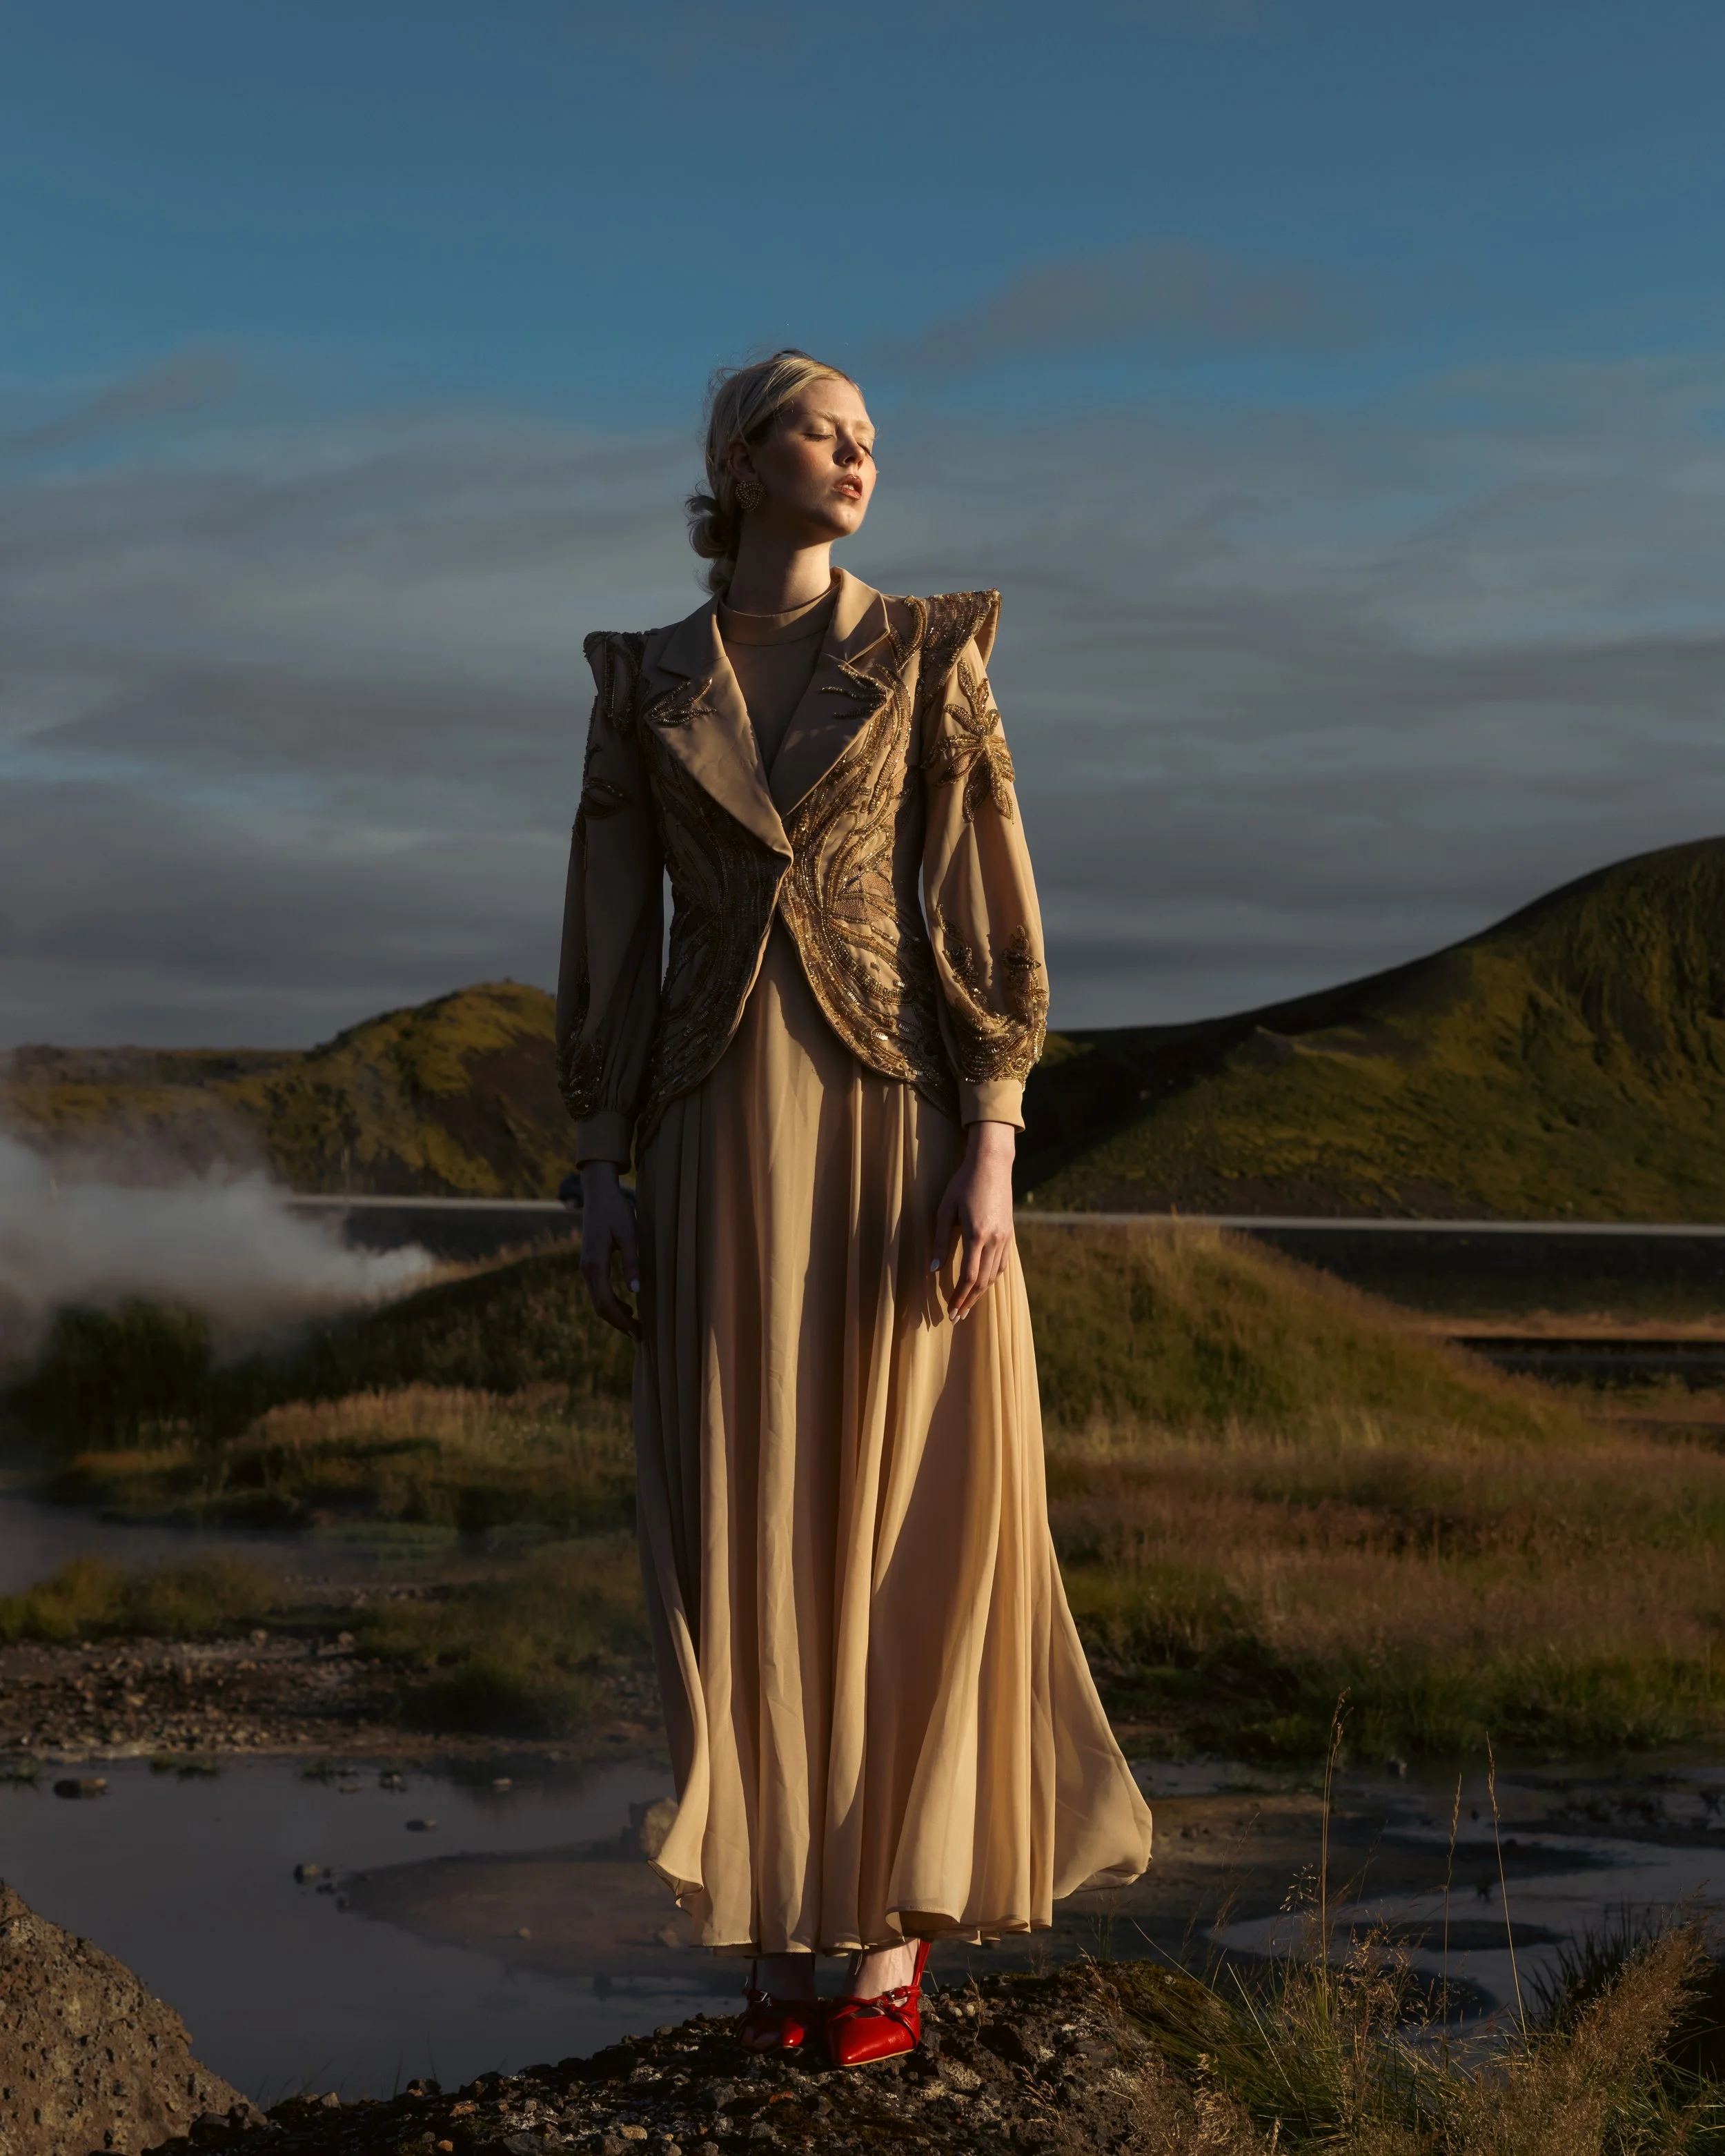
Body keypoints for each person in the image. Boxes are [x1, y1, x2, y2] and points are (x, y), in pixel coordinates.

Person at [556, 350, 1152, 2068]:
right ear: (740, 458)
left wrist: (993, 1130)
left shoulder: (926, 651)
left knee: (897, 1510)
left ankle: (883, 1948)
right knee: (744, 1522)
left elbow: (979, 878)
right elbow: (608, 915)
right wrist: (597, 1162)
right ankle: (781, 1941)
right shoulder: (643, 681)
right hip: (709, 1129)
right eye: (828, 430)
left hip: (894, 1116)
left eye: (873, 440)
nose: (861, 457)